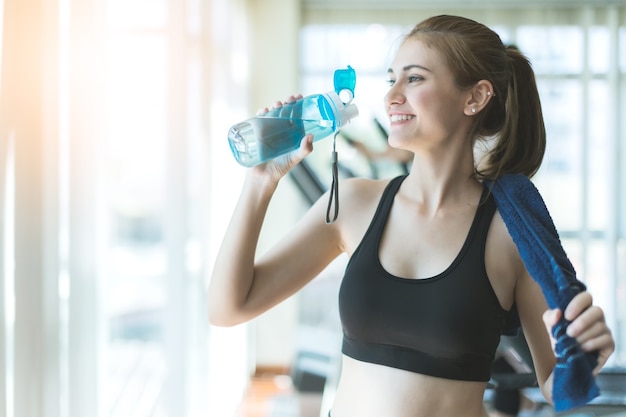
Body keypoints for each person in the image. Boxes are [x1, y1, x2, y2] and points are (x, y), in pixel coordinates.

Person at [209, 15, 614, 417]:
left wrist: (587, 353)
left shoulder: (511, 231)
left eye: (414, 79)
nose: (391, 97)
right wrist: (260, 183)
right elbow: (229, 308)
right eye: (391, 80)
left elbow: (554, 383)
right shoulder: (354, 204)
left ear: (475, 97)